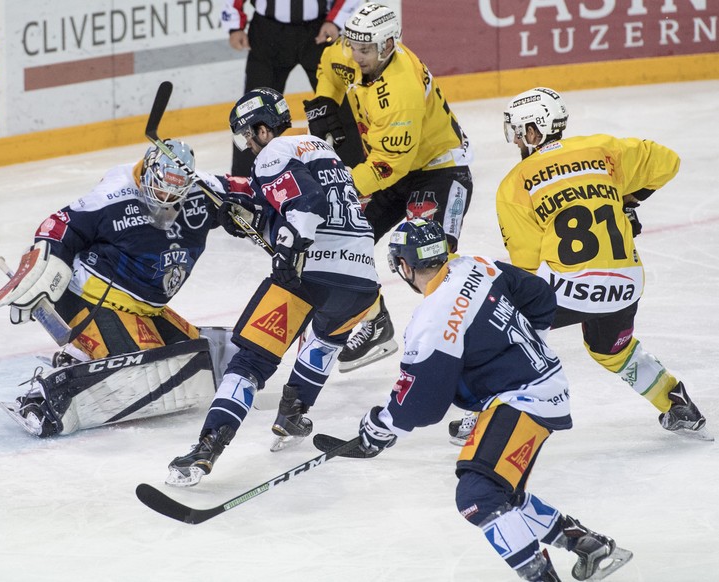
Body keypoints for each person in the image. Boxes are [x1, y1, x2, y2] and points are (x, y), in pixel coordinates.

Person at [344, 219, 633, 581]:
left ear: (404, 265)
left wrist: (382, 426)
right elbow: (540, 295)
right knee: (502, 495)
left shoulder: (432, 319)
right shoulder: (474, 265)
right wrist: (525, 345)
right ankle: (590, 546)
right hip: (537, 388)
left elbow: (424, 402)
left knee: (479, 496)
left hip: (524, 398)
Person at [165, 87, 381, 487]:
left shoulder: (274, 153)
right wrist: (249, 216)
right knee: (325, 341)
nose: (247, 145)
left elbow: (307, 204)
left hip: (310, 273)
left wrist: (286, 250)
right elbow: (291, 201)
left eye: (247, 135)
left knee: (250, 363)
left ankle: (208, 447)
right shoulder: (317, 149)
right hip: (363, 280)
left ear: (263, 129)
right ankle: (292, 414)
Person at [492, 86, 711, 441]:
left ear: (534, 132)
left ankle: (482, 412)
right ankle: (675, 402)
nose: (517, 142)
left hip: (566, 290)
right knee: (611, 349)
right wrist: (627, 201)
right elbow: (667, 161)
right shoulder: (602, 149)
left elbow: (528, 267)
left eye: (518, 134)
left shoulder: (514, 185)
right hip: (625, 286)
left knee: (501, 326)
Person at [0, 140, 244, 437]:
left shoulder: (202, 188)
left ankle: (81, 354)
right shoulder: (113, 194)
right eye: (159, 188)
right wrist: (38, 264)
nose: (165, 198)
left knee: (195, 357)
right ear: (148, 172)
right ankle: (50, 388)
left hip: (146, 307)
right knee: (143, 369)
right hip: (91, 296)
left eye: (175, 192)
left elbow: (249, 189)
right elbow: (57, 225)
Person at [304, 2, 474, 372]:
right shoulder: (355, 49)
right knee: (341, 241)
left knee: (427, 258)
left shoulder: (402, 91)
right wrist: (323, 104)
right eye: (354, 46)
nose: (355, 56)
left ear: (388, 46)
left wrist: (340, 187)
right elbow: (330, 66)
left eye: (364, 50)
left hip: (439, 170)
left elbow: (387, 166)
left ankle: (468, 343)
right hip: (393, 165)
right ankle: (376, 322)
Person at [222, 0, 364, 176]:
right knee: (250, 113)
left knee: (340, 108)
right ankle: (244, 184)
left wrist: (336, 20)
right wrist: (234, 24)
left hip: (319, 30)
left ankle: (356, 177)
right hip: (267, 31)